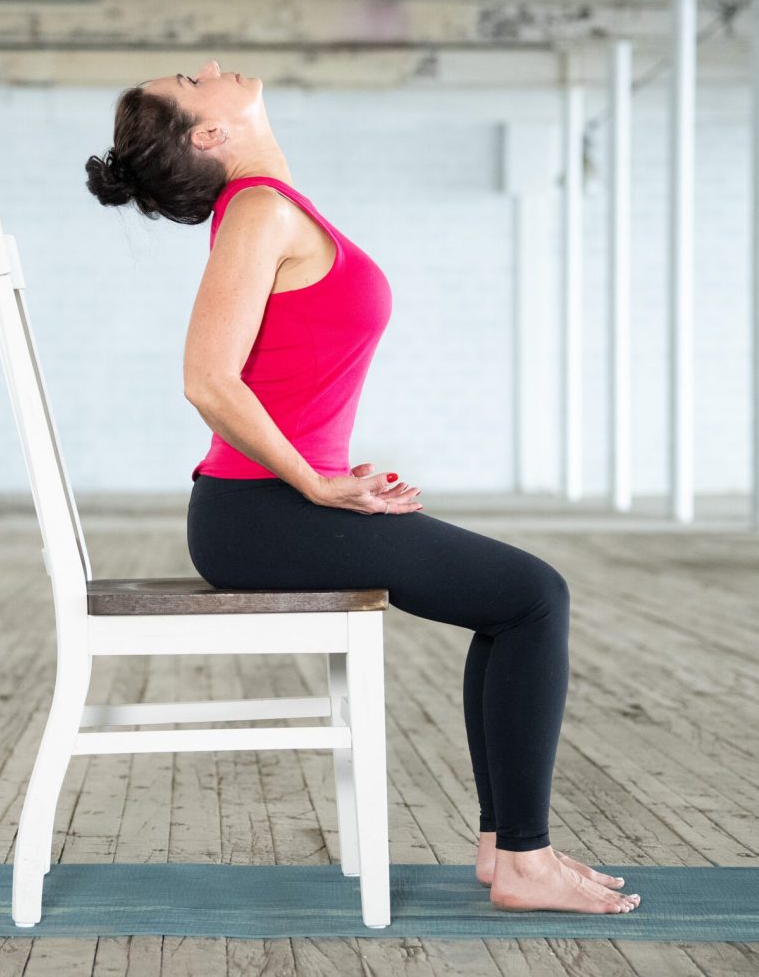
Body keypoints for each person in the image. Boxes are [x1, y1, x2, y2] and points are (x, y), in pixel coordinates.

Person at [84, 58, 640, 916]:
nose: (207, 68)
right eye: (192, 82)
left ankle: (507, 849)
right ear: (210, 134)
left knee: (513, 602)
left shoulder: (273, 210)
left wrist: (333, 473)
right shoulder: (259, 212)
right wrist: (317, 483)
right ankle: (524, 857)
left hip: (274, 506)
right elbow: (207, 379)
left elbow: (285, 376)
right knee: (535, 596)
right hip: (260, 514)